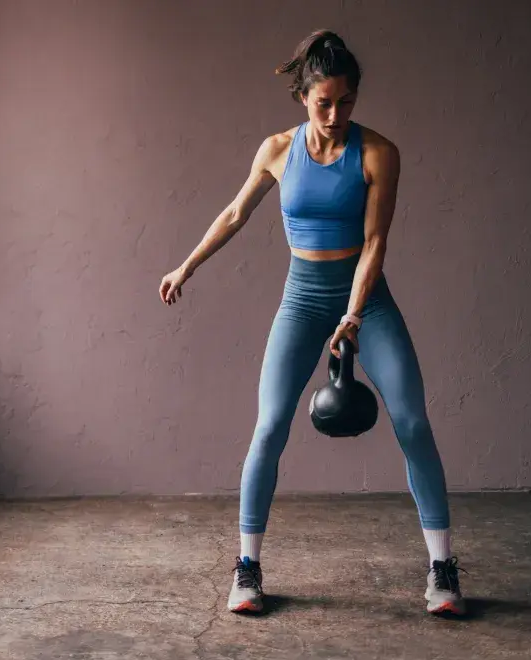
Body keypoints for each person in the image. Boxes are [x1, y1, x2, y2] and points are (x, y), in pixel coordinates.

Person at [158, 30, 466, 616]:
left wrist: (352, 313)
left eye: (345, 102)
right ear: (303, 96)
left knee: (412, 420)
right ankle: (246, 570)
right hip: (301, 301)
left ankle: (442, 570)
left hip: (366, 301)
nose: (334, 115)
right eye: (323, 102)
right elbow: (234, 212)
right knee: (270, 426)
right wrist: (185, 266)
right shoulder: (277, 149)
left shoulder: (378, 153)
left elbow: (375, 242)